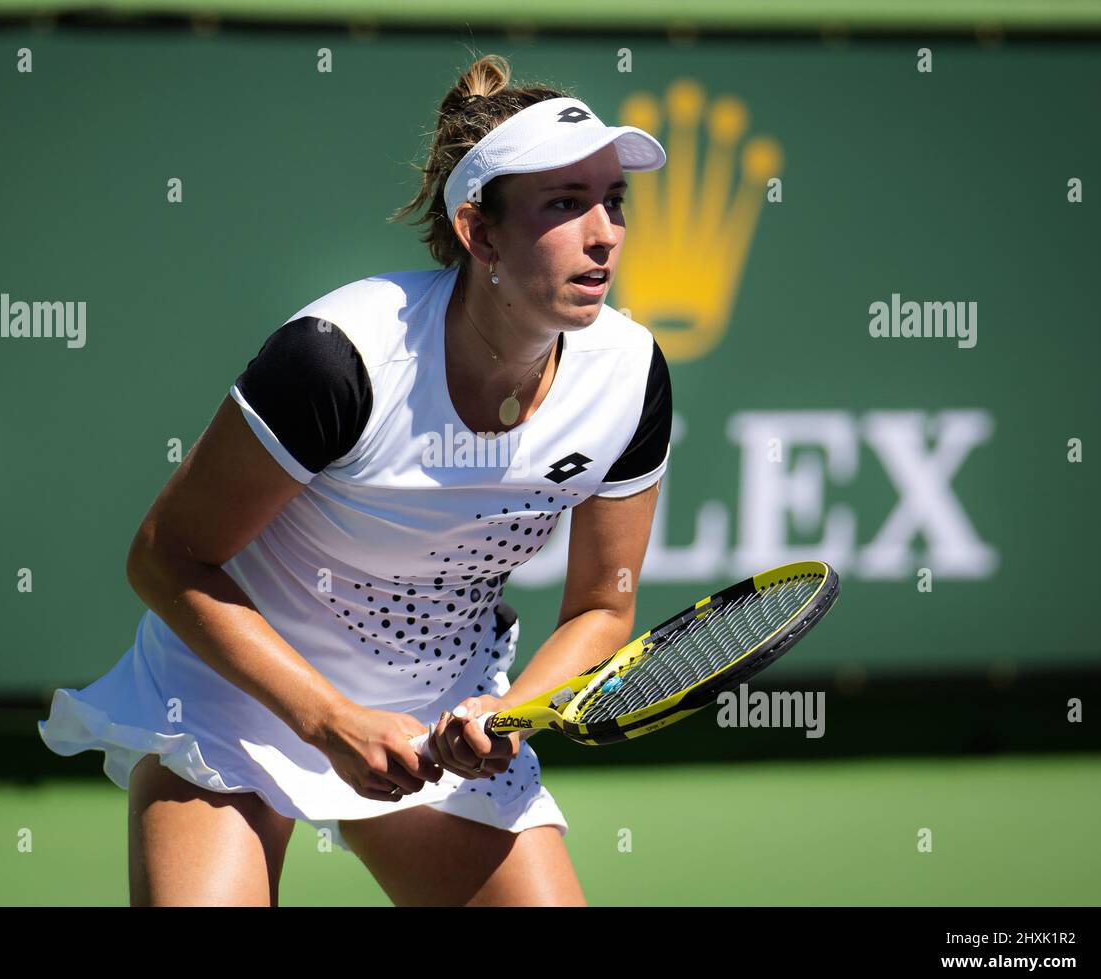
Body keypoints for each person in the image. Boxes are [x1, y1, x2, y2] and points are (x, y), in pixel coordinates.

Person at [38, 53, 671, 907]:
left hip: (441, 699)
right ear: (480, 233)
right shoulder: (341, 360)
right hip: (237, 702)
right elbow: (164, 560)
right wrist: (329, 719)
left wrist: (506, 712)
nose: (605, 233)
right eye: (566, 204)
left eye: (613, 202)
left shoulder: (629, 376)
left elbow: (602, 606)